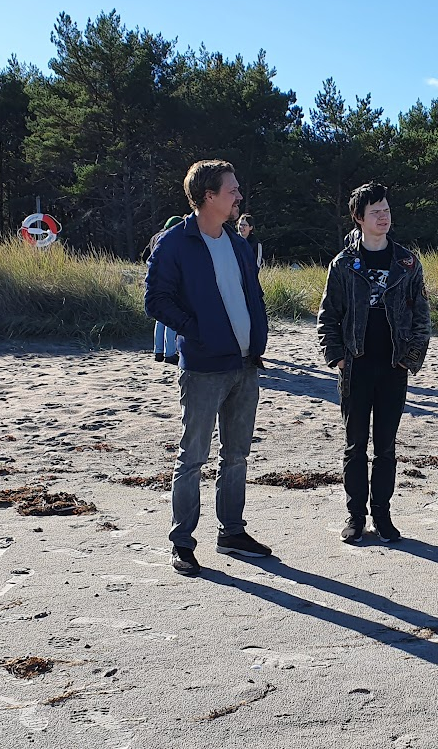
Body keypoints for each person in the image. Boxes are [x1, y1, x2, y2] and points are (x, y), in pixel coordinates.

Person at [144, 160, 271, 575]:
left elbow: (251, 293)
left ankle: (232, 533)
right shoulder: (174, 243)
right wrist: (198, 331)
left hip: (245, 364)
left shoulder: (237, 242)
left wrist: (258, 337)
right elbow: (156, 301)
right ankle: (182, 542)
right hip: (202, 367)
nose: (239, 196)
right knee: (192, 458)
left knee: (237, 456)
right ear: (208, 196)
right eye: (232, 190)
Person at [317, 183, 431, 544]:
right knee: (355, 447)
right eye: (375, 212)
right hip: (355, 367)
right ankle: (355, 516)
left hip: (393, 367)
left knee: (386, 447)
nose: (383, 217)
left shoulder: (407, 262)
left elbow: (422, 316)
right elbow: (327, 316)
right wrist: (337, 357)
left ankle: (382, 515)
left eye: (386, 210)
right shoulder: (343, 263)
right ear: (359, 218)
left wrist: (410, 359)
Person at [142, 215, 185, 365]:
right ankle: (170, 353)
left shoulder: (155, 237)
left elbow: (144, 256)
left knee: (160, 318)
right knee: (171, 315)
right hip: (169, 281)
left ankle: (158, 351)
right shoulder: (172, 239)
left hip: (154, 281)